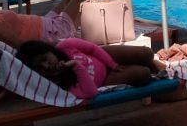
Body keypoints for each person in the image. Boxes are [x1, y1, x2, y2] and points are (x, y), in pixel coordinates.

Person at [16, 38, 163, 100]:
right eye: (39, 68)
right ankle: (155, 74)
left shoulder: (65, 46)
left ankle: (156, 69)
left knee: (146, 53)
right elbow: (91, 92)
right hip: (104, 80)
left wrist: (113, 64)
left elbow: (92, 48)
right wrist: (75, 66)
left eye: (44, 59)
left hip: (104, 58)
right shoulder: (60, 85)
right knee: (143, 73)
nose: (46, 66)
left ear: (50, 51)